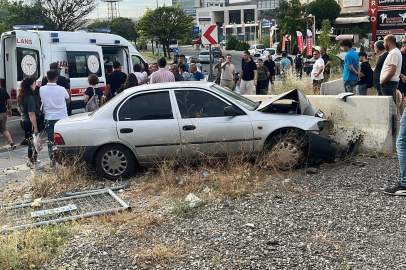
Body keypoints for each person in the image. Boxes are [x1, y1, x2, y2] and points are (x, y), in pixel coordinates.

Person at [40, 69, 69, 166]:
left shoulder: (42, 89)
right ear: (57, 78)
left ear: (46, 78)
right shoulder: (62, 89)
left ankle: (52, 160)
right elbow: (68, 99)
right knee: (64, 139)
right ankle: (64, 159)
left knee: (51, 140)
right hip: (62, 117)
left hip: (49, 117)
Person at [17, 77, 42, 168]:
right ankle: (33, 162)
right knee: (33, 142)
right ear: (29, 85)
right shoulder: (30, 98)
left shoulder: (21, 95)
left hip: (24, 120)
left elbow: (20, 109)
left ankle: (30, 159)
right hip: (30, 122)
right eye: (34, 84)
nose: (35, 85)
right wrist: (35, 127)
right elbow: (31, 113)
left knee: (31, 141)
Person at [380, 34, 402, 103]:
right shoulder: (395, 52)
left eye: (384, 42)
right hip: (390, 83)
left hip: (388, 83)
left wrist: (383, 81)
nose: (383, 44)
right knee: (391, 105)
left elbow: (392, 71)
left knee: (389, 106)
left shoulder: (393, 53)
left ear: (388, 42)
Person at [398, 43, 406, 118]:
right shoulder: (399, 55)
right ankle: (401, 116)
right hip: (399, 79)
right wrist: (402, 76)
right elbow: (395, 69)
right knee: (401, 97)